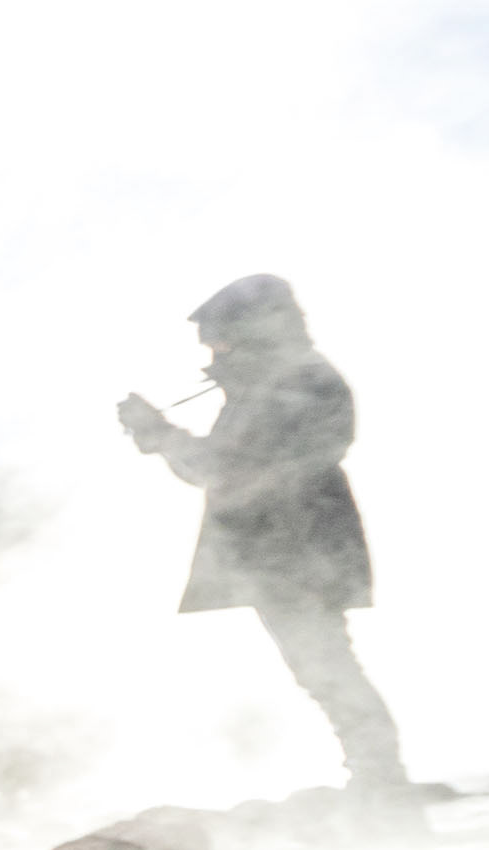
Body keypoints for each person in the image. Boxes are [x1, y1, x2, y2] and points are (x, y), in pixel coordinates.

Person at [118, 275, 407, 794]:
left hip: (294, 546)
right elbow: (217, 470)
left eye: (221, 341)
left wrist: (160, 433)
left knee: (326, 666)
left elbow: (224, 468)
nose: (213, 355)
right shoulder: (277, 382)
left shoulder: (295, 382)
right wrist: (162, 435)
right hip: (286, 547)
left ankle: (380, 781)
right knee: (321, 667)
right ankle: (376, 778)